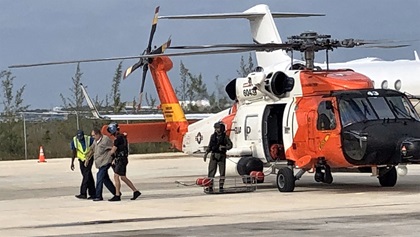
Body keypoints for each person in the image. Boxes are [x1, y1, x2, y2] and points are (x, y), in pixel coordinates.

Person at [107, 122, 141, 201]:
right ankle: (135, 191)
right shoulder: (123, 137)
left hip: (121, 160)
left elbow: (113, 151)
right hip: (123, 159)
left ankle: (117, 195)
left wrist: (108, 153)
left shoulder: (118, 139)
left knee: (116, 176)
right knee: (122, 177)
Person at [85, 128, 116, 201]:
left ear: (98, 134)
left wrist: (113, 158)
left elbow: (114, 147)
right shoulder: (95, 141)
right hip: (99, 163)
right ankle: (116, 192)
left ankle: (98, 195)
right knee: (105, 179)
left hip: (106, 161)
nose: (93, 137)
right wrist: (87, 158)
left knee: (99, 177)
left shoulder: (106, 140)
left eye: (94, 135)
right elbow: (92, 149)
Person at [203, 122, 233, 193]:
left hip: (221, 156)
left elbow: (230, 145)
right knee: (211, 172)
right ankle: (210, 186)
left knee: (222, 172)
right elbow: (210, 145)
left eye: (218, 128)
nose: (217, 130)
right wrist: (206, 153)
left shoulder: (225, 137)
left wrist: (224, 147)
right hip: (214, 155)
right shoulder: (213, 136)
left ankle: (221, 186)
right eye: (216, 128)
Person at [70, 130, 96, 199]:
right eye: (79, 138)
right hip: (81, 159)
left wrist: (90, 155)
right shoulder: (74, 140)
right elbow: (74, 151)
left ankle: (83, 193)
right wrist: (72, 162)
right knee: (88, 176)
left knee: (86, 176)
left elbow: (95, 146)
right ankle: (93, 193)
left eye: (81, 137)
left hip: (89, 158)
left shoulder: (89, 139)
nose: (80, 139)